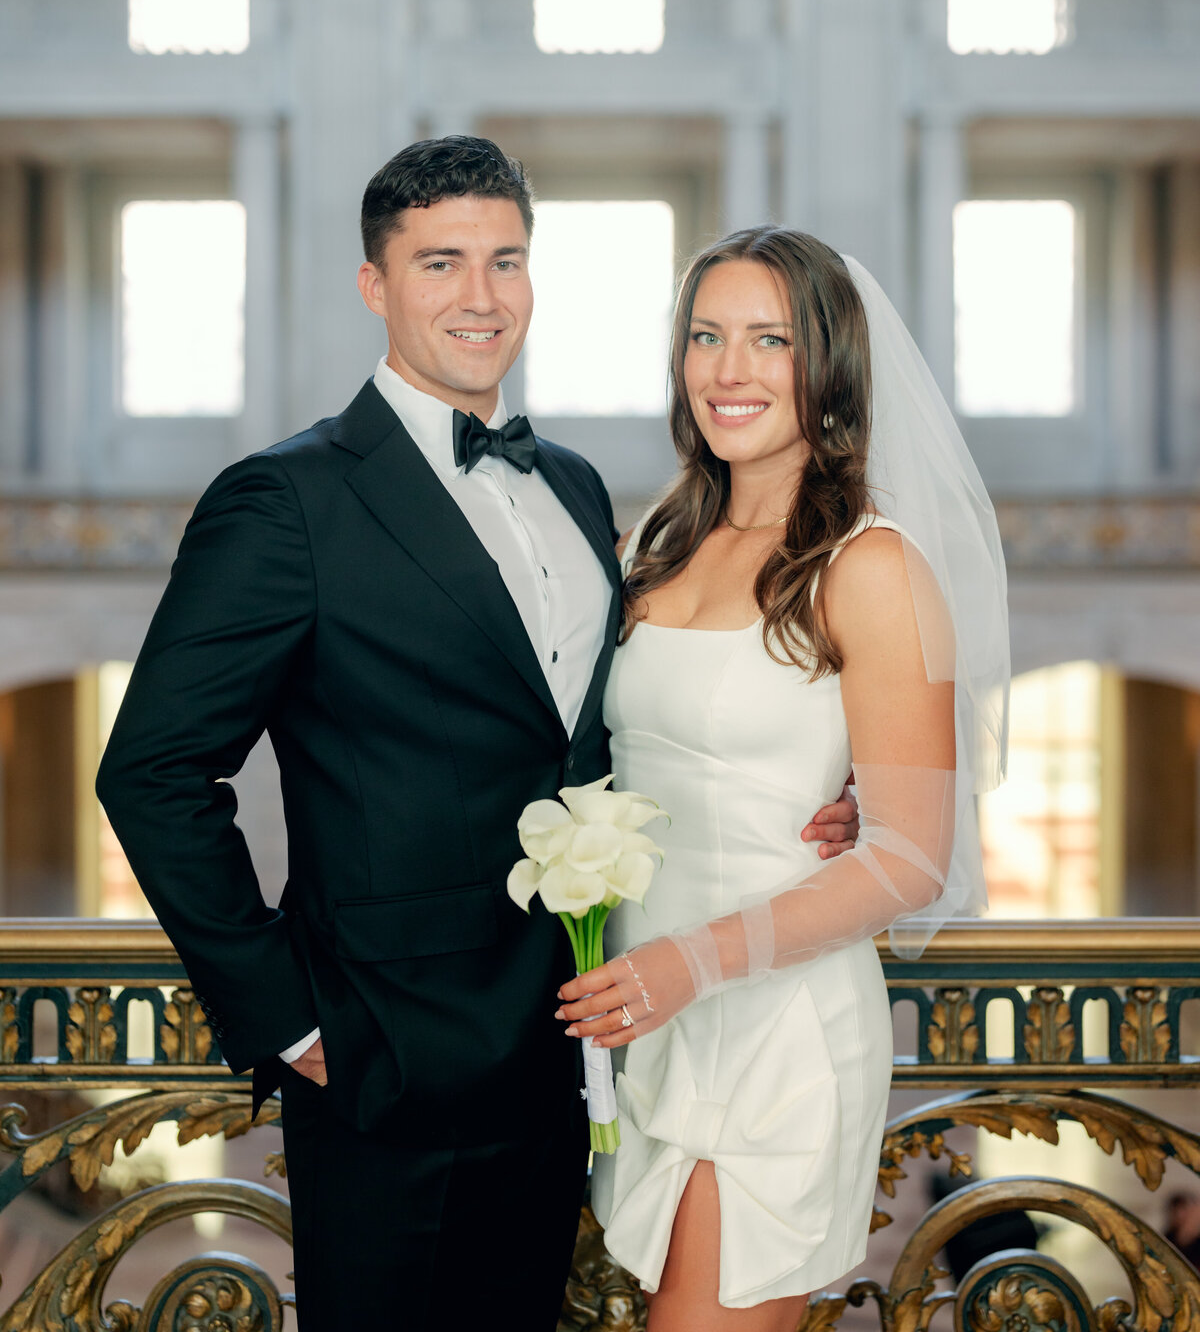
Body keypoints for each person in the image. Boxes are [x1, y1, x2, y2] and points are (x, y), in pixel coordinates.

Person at [95, 140, 861, 1332]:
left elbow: (619, 728)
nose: (480, 295)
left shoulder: (571, 483)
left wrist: (828, 776)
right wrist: (293, 1024)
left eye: (506, 261)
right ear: (375, 286)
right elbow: (149, 770)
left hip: (570, 1048)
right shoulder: (285, 500)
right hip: (384, 1064)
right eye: (440, 261)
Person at [557, 226, 1010, 1332]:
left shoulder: (875, 564)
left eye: (769, 340)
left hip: (776, 1020)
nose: (728, 369)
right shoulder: (655, 541)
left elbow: (909, 855)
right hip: (645, 1019)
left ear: (831, 364)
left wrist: (687, 964)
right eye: (706, 336)